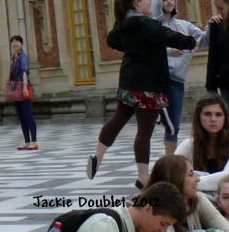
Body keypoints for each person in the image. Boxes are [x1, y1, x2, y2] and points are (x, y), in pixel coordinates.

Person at [88, 0, 196, 187]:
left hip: (128, 83)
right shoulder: (144, 23)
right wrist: (190, 41)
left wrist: (134, 48)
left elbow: (112, 40)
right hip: (148, 86)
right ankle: (143, 177)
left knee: (118, 119)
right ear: (137, 3)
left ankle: (98, 155)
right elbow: (168, 36)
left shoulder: (123, 23)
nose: (149, 2)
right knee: (144, 132)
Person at [151, 0, 205, 156]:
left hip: (177, 81)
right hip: (158, 79)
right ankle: (168, 163)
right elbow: (147, 48)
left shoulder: (184, 25)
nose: (169, 2)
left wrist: (214, 24)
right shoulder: (152, 26)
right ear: (157, 2)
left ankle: (169, 161)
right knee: (165, 122)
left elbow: (202, 39)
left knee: (173, 122)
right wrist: (168, 51)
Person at [51, 181, 185, 232]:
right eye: (163, 224)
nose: (163, 231)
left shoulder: (134, 226)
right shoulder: (105, 225)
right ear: (148, 208)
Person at [147, 155, 229, 230]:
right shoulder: (151, 209)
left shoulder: (198, 200)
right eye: (191, 175)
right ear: (176, 179)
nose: (198, 179)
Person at [176, 95, 229, 192]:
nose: (213, 119)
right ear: (199, 117)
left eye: (218, 114)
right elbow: (174, 176)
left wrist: (191, 181)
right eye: (207, 114)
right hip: (197, 197)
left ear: (225, 118)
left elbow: (227, 177)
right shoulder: (188, 145)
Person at [9, 35, 37, 150]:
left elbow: (25, 72)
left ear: (21, 44)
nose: (15, 44)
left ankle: (34, 141)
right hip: (17, 89)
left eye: (17, 42)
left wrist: (25, 87)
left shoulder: (23, 56)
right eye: (13, 42)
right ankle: (26, 141)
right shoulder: (14, 57)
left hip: (24, 88)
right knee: (21, 117)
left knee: (28, 115)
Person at [207, 0, 229, 98]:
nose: (219, 12)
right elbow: (213, 57)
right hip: (225, 84)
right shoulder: (216, 25)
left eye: (221, 9)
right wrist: (211, 87)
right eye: (217, 9)